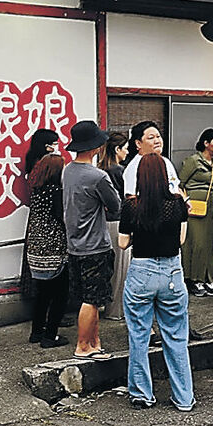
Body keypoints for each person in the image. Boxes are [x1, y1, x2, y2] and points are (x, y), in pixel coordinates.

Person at [119, 153, 193, 411]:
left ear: (140, 177)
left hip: (142, 272)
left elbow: (122, 242)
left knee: (139, 335)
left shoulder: (131, 206)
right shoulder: (178, 204)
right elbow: (181, 240)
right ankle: (184, 398)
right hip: (172, 272)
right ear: (165, 176)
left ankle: (142, 394)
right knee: (175, 336)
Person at [63, 120, 120, 360]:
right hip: (95, 244)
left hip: (75, 244)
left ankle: (94, 344)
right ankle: (83, 346)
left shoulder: (68, 170)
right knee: (92, 299)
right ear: (95, 147)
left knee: (89, 300)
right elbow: (116, 205)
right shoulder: (98, 176)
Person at [25, 149, 70, 348]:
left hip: (35, 248)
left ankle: (36, 332)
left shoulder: (36, 191)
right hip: (53, 249)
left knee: (42, 294)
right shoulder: (57, 192)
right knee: (60, 295)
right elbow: (63, 218)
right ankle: (50, 336)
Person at [178, 129, 213, 297]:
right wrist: (186, 202)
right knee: (195, 243)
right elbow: (180, 184)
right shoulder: (193, 161)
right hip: (193, 207)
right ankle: (193, 279)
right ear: (206, 143)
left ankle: (206, 278)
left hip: (209, 206)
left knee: (207, 244)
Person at [98, 132, 129, 320]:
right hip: (118, 221)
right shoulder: (119, 170)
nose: (127, 153)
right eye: (125, 149)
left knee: (109, 268)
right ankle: (116, 310)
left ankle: (109, 306)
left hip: (103, 221)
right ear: (117, 150)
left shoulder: (101, 169)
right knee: (121, 268)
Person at [122, 121, 180, 196]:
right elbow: (131, 197)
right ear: (138, 143)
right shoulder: (134, 167)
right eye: (151, 138)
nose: (157, 141)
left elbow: (176, 187)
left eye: (158, 136)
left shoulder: (166, 161)